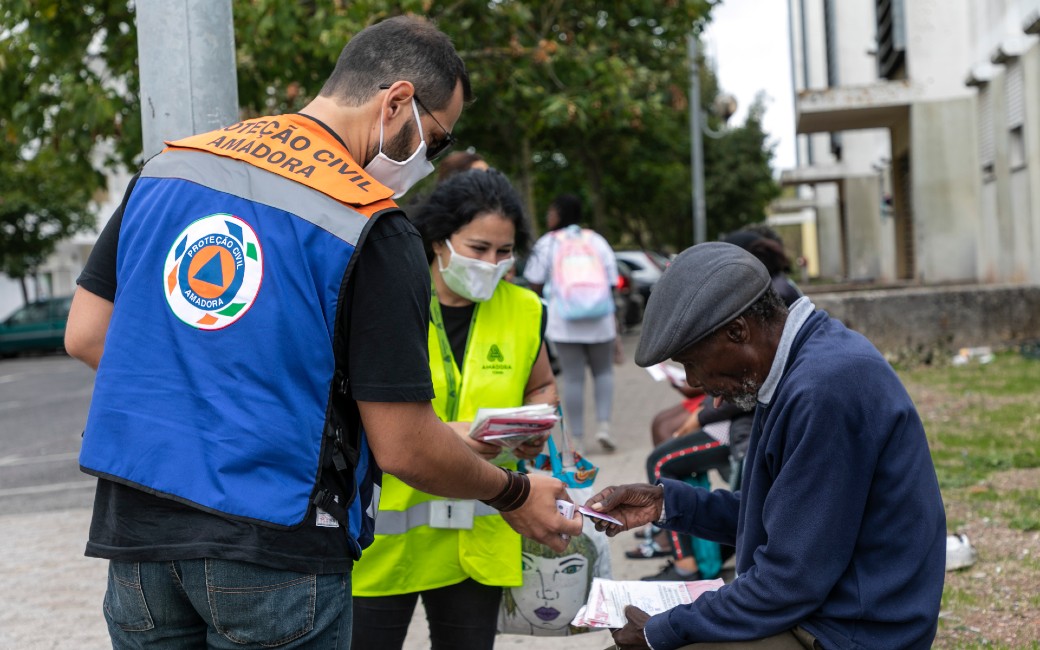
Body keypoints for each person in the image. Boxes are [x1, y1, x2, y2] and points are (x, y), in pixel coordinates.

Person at [64, 16, 581, 649]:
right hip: (273, 545)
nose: (431, 158)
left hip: (138, 532)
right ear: (396, 102)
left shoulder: (171, 168)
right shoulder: (370, 222)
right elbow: (402, 447)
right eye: (437, 139)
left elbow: (88, 334)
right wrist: (514, 493)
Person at [585, 242, 946, 650]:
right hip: (830, 612)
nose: (698, 386)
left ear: (737, 331)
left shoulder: (824, 389)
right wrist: (668, 504)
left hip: (856, 633)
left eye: (692, 364)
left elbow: (788, 582)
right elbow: (783, 518)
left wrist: (658, 632)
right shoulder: (801, 365)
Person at [351, 169, 556, 649]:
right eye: (478, 248)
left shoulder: (524, 308)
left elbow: (542, 384)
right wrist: (443, 436)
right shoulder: (391, 296)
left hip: (477, 538)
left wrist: (538, 419)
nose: (492, 263)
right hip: (387, 541)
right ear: (440, 241)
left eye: (504, 252)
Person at [523, 193, 619, 454]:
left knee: (574, 379)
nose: (548, 216)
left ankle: (576, 439)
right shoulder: (596, 240)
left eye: (551, 210)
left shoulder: (548, 243)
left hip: (564, 322)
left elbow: (533, 280)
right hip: (601, 320)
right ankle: (604, 427)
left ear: (559, 213)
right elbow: (613, 282)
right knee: (604, 373)